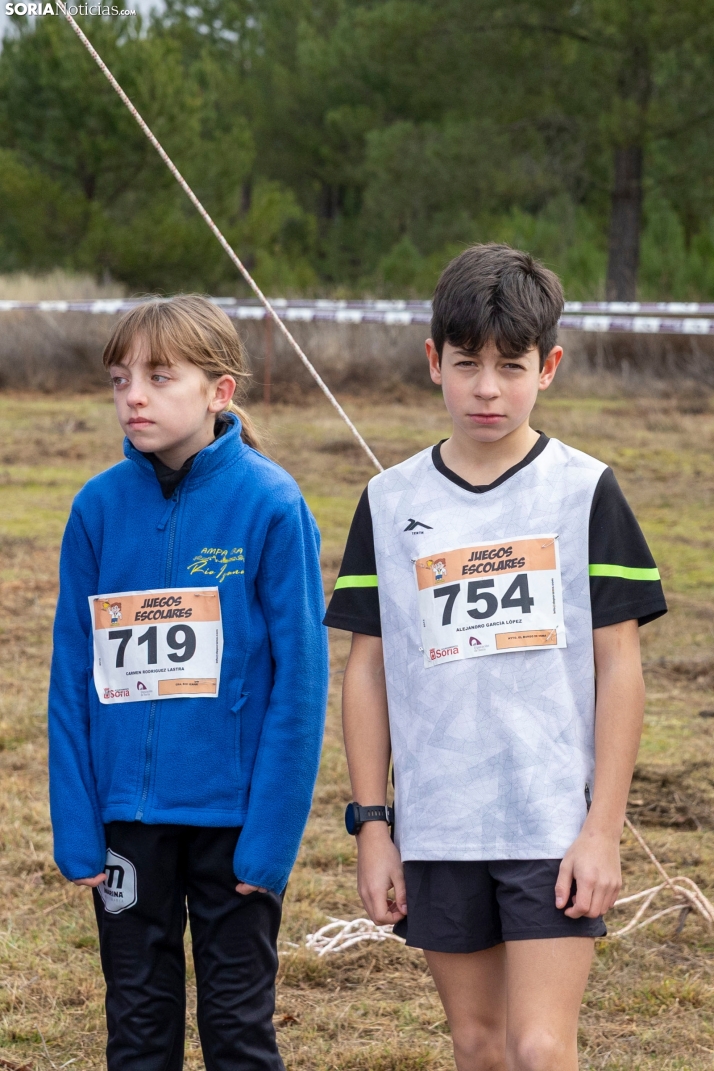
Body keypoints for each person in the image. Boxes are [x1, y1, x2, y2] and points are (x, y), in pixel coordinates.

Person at [324, 245, 667, 1071]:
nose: (487, 388)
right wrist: (374, 825)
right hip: (440, 825)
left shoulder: (586, 491)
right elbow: (366, 670)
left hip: (552, 822)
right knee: (478, 1044)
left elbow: (621, 668)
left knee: (540, 1046)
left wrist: (602, 830)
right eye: (468, 364)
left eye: (510, 366)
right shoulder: (388, 499)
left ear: (547, 367)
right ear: (433, 360)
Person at [48, 295, 329, 1071]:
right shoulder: (97, 510)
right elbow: (71, 678)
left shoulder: (272, 506)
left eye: (160, 376)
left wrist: (268, 842)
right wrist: (78, 824)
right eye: (119, 379)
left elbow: (301, 688)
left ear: (220, 391)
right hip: (127, 825)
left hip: (234, 828)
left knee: (238, 1032)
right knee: (137, 1031)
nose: (133, 395)